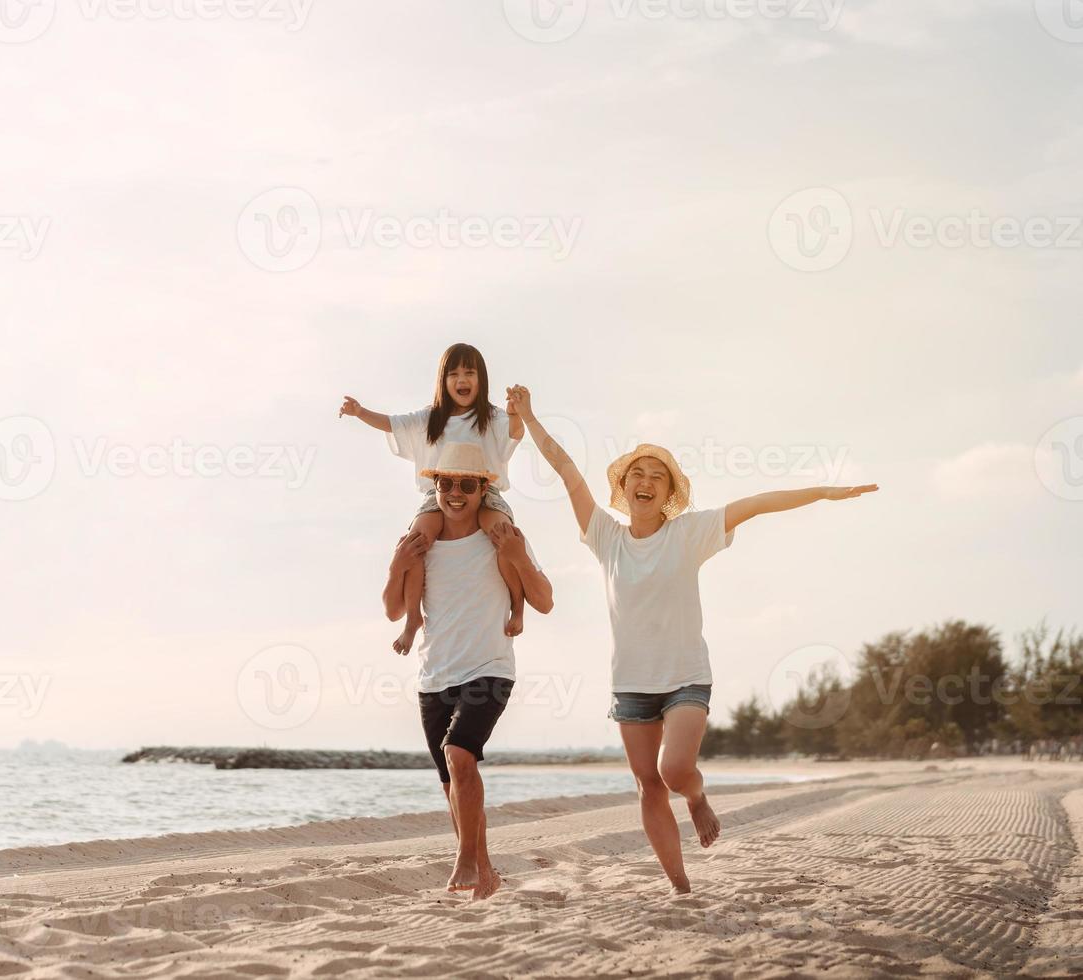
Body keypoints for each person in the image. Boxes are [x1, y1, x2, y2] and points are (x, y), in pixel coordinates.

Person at [507, 384, 878, 894]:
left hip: (685, 677)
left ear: (668, 493)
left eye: (657, 476)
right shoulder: (605, 536)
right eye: (637, 473)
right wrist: (528, 417)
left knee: (675, 769)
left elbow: (757, 503)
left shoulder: (689, 534)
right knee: (647, 786)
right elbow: (566, 469)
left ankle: (698, 795)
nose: (646, 481)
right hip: (631, 685)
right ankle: (680, 884)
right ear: (624, 486)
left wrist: (823, 492)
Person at [382, 442, 553, 901]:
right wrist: (397, 564)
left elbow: (546, 601)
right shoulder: (423, 542)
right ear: (435, 485)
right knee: (450, 781)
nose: (456, 493)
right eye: (447, 483)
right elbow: (394, 608)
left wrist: (517, 557)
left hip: (489, 667)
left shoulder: (500, 534)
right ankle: (487, 873)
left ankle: (465, 860)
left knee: (460, 755)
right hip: (434, 674)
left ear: (484, 489)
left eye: (467, 485)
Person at [342, 343, 532, 653]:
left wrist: (516, 413)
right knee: (417, 541)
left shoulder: (493, 416)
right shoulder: (431, 417)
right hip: (439, 491)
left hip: (484, 491)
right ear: (443, 381)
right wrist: (360, 412)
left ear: (481, 380)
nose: (462, 380)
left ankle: (518, 608)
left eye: (470, 373)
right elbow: (393, 423)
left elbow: (513, 434)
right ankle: (413, 618)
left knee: (503, 536)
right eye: (454, 373)